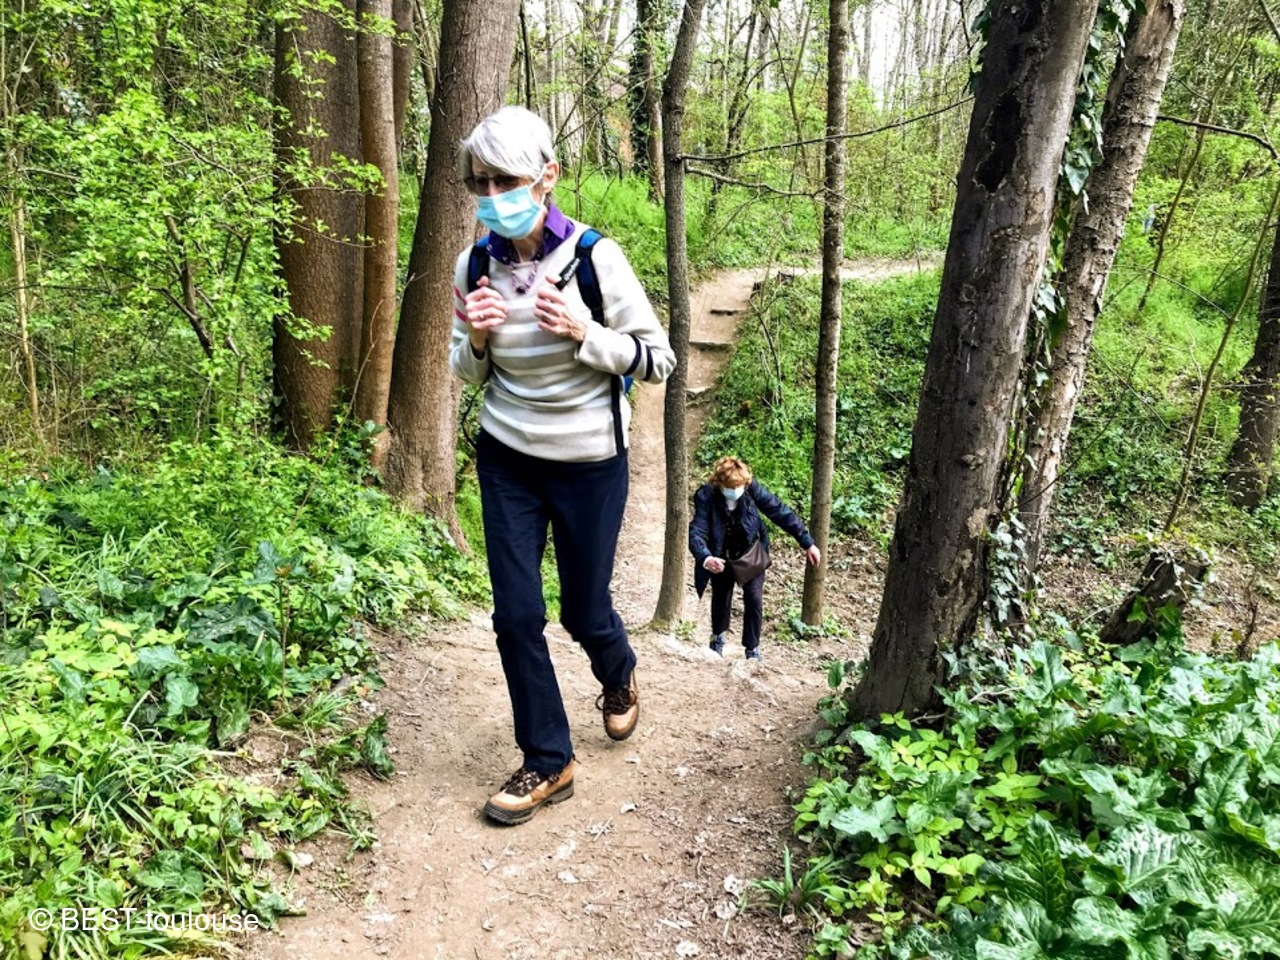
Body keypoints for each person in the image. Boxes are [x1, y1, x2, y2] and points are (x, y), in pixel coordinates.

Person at [450, 107, 676, 826]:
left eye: (506, 180)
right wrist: (476, 339)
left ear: (547, 177)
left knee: (583, 608)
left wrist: (587, 333)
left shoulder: (594, 258)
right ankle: (549, 759)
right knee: (516, 615)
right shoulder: (474, 265)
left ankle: (618, 672)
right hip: (507, 459)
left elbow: (658, 360)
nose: (493, 195)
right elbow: (465, 370)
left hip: (588, 462)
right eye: (481, 182)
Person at [688, 457, 821, 660]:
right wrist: (706, 558)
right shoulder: (706, 495)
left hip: (750, 552)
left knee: (754, 599)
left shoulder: (751, 488)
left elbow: (779, 511)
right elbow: (697, 531)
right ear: (720, 484)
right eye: (731, 487)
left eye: (739, 486)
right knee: (721, 597)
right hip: (721, 554)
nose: (736, 490)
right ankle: (717, 638)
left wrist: (807, 542)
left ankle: (752, 648)